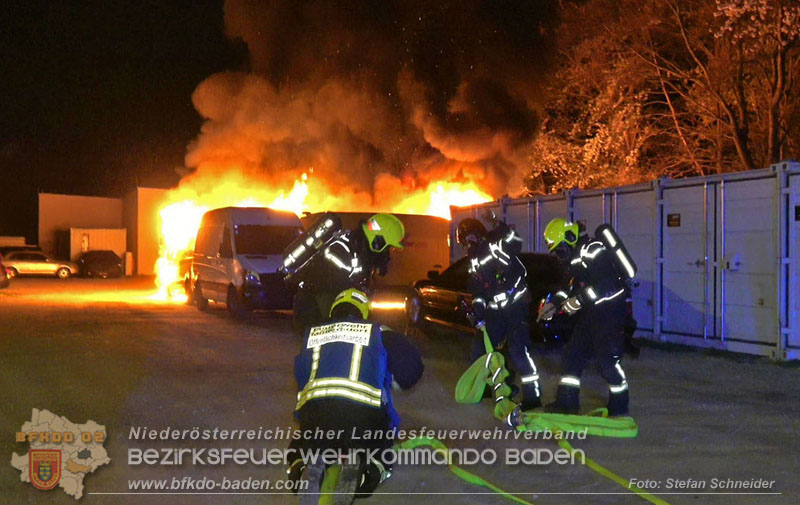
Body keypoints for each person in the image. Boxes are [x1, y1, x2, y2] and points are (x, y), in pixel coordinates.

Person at [288, 288, 423, 503]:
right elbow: (411, 371)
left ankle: (301, 465)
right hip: (363, 419)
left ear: (333, 311)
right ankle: (367, 472)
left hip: (316, 417)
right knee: (379, 444)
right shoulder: (376, 331)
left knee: (305, 440)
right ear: (365, 313)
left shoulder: (313, 333)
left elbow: (302, 378)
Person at [539, 218, 631, 416]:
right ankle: (567, 402)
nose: (559, 256)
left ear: (570, 238)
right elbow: (568, 288)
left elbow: (607, 284)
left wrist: (578, 301)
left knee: (607, 361)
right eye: (556, 252)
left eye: (560, 250)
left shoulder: (594, 249)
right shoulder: (575, 259)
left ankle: (620, 406)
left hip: (609, 313)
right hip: (590, 314)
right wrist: (553, 305)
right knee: (572, 354)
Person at [456, 217, 542, 411]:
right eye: (464, 241)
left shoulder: (497, 246)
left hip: (515, 308)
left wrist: (500, 225)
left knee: (518, 351)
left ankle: (533, 396)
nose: (468, 244)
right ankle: (488, 386)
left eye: (470, 238)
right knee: (480, 350)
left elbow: (515, 243)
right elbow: (477, 291)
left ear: (479, 235)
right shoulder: (473, 262)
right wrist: (477, 311)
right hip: (494, 311)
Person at [292, 213, 405, 337]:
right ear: (377, 242)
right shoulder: (341, 252)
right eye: (388, 248)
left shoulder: (361, 253)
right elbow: (333, 297)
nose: (388, 255)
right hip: (313, 314)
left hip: (327, 314)